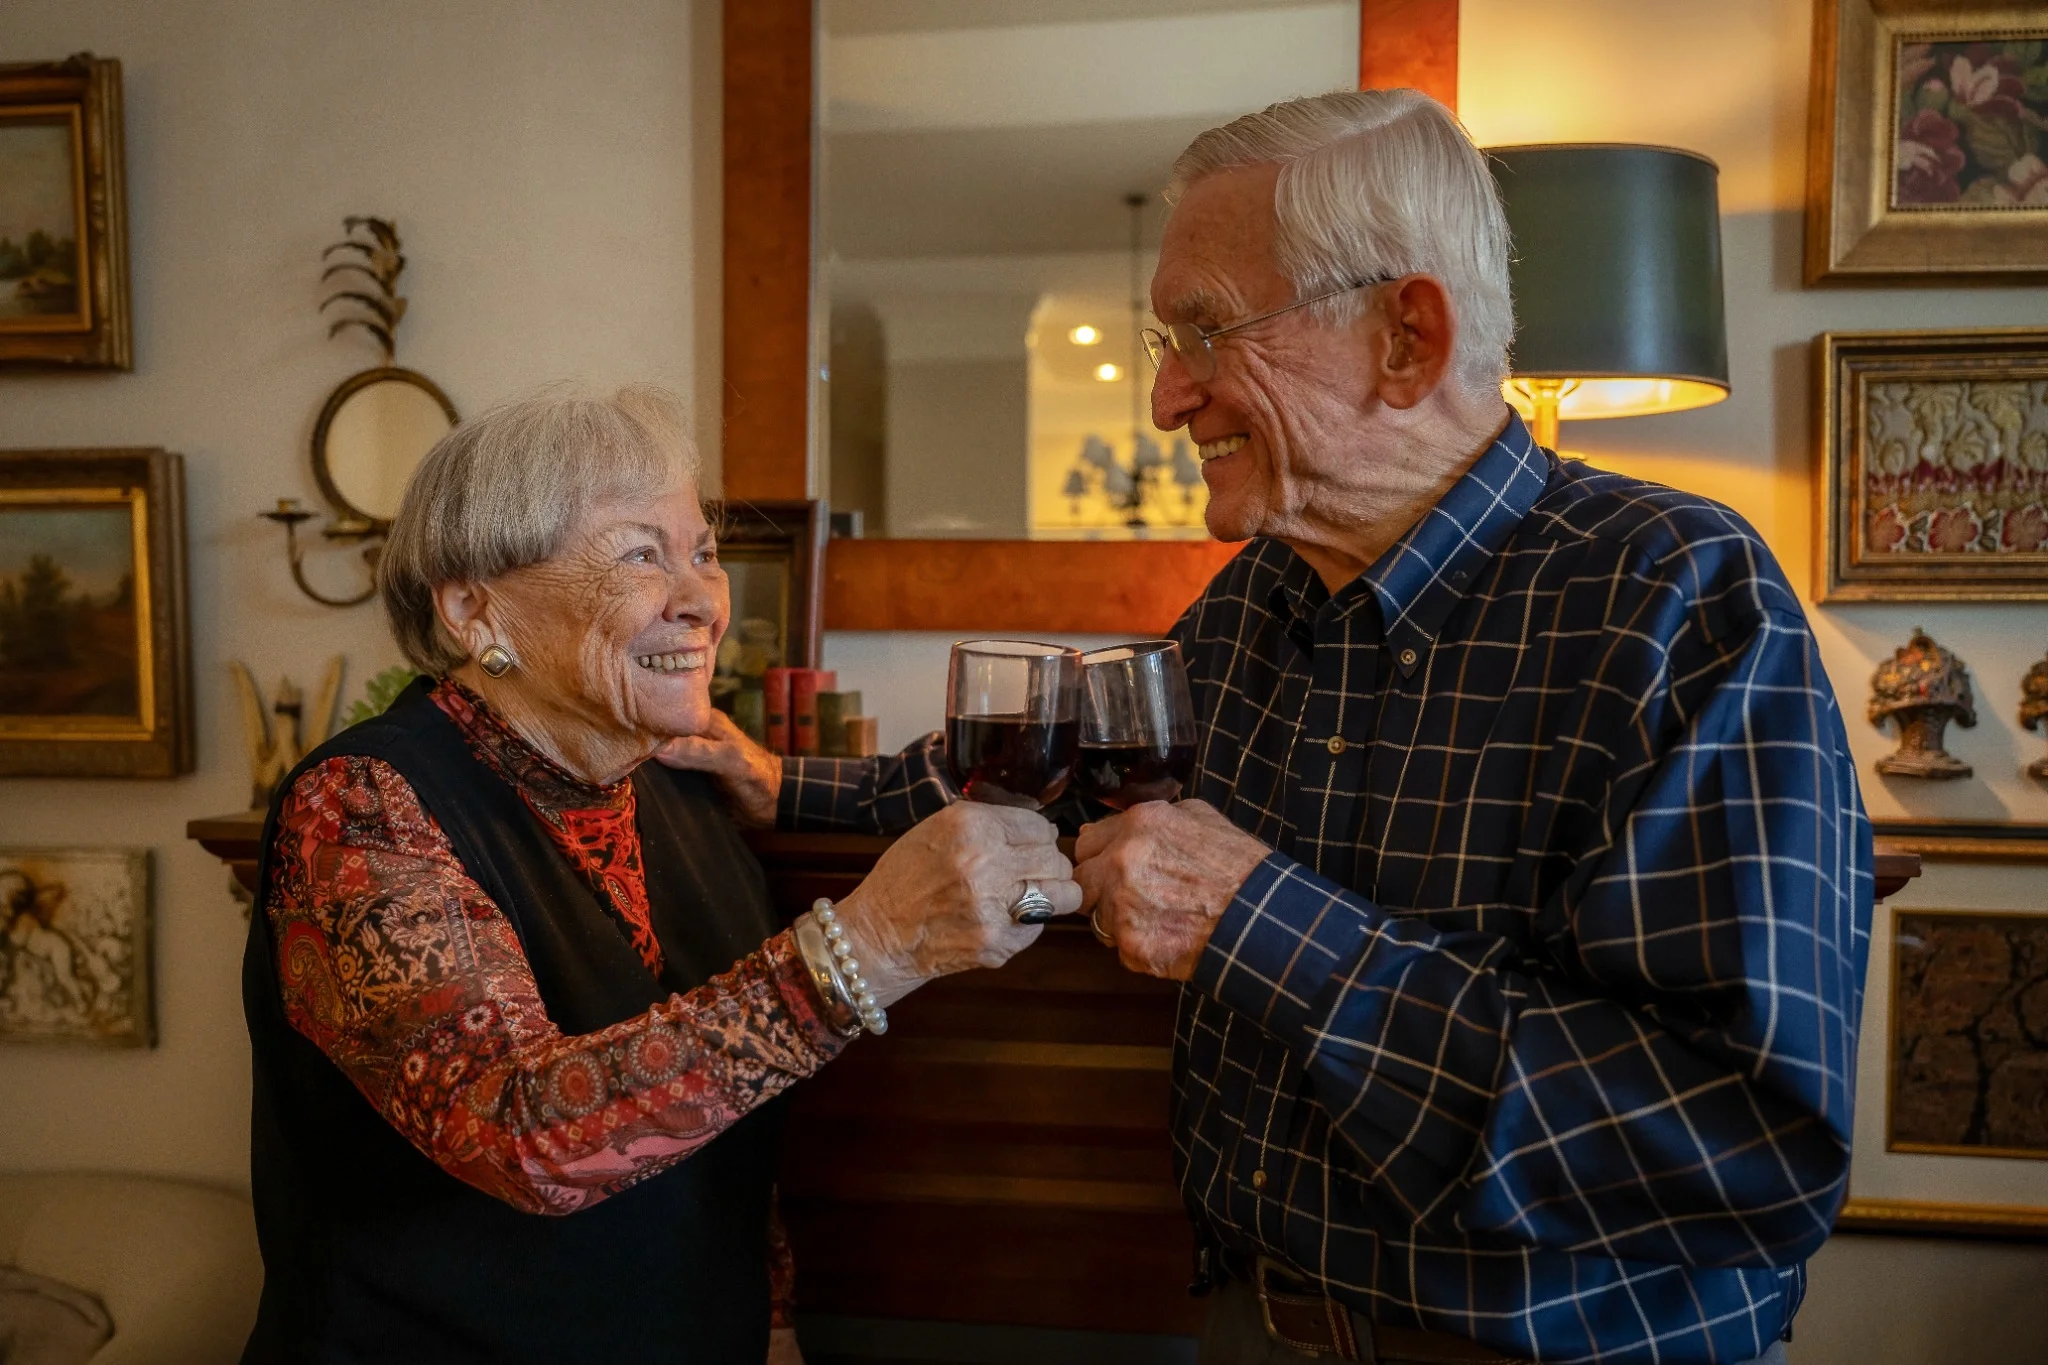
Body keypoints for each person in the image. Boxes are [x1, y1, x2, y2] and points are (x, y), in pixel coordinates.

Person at [1066, 91, 1872, 1364]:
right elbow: (1046, 773)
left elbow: (1739, 1149)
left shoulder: (1675, 594)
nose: (1166, 398)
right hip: (1245, 1325)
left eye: (1207, 332)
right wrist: (759, 773)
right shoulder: (1258, 600)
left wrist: (1261, 926)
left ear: (1406, 338)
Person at [241, 386, 1081, 1365]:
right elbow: (518, 1136)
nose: (701, 599)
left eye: (703, 552)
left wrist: (767, 1320)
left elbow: (728, 1117)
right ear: (473, 608)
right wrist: (868, 948)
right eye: (640, 553)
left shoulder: (674, 786)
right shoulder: (362, 805)